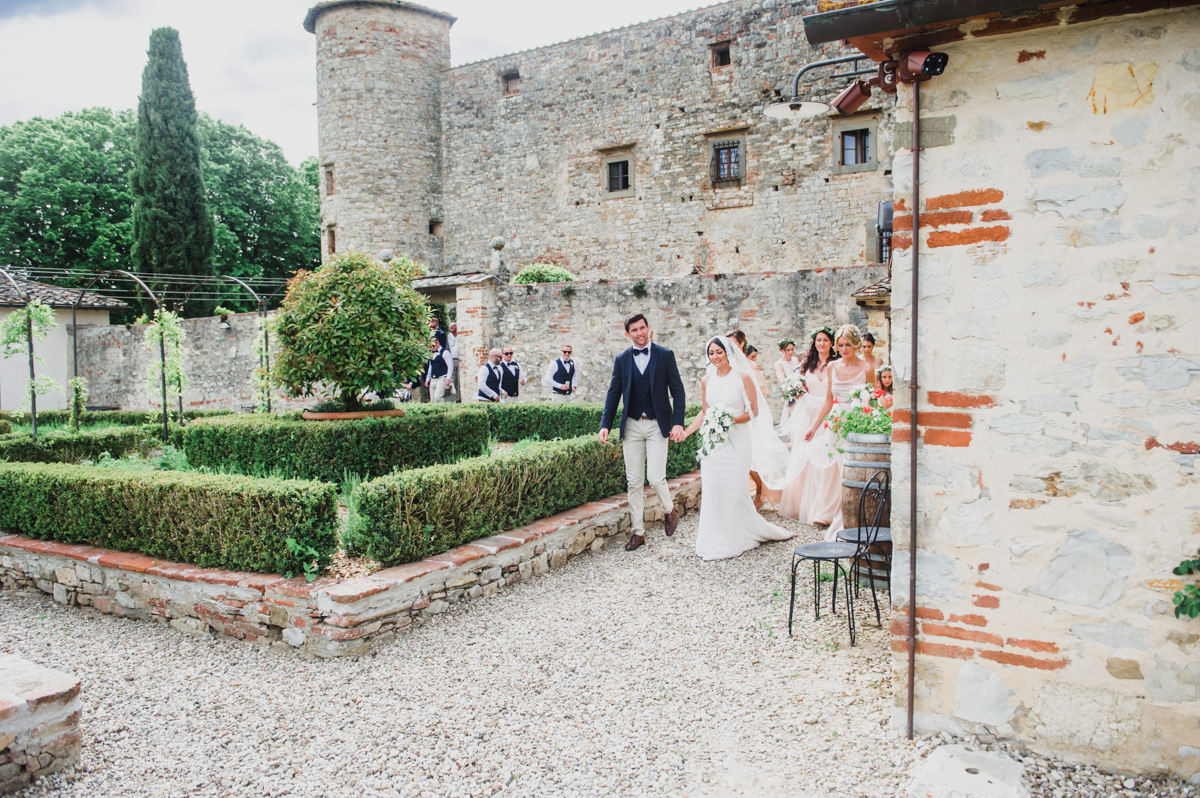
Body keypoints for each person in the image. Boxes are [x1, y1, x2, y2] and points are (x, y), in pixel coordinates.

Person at [681, 336, 795, 561]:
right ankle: (713, 538)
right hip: (714, 444)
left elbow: (753, 411)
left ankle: (737, 534)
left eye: (719, 352)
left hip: (737, 443)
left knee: (734, 490)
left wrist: (727, 420)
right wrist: (688, 431)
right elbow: (705, 411)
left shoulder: (742, 377)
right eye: (711, 353)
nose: (715, 357)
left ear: (728, 353)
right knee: (713, 489)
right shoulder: (706, 380)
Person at [599, 314, 686, 552]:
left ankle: (669, 509)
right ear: (627, 334)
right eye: (634, 330)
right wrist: (605, 424)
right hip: (632, 426)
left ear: (649, 328)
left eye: (642, 328)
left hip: (658, 425)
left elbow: (678, 391)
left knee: (656, 478)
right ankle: (638, 532)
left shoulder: (665, 355)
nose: (639, 333)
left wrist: (678, 423)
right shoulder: (622, 360)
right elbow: (613, 393)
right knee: (634, 482)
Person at [803, 324, 876, 540]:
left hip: (857, 424)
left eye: (848, 345)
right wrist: (813, 427)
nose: (843, 349)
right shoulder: (832, 367)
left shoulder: (867, 369)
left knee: (850, 472)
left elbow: (873, 401)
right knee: (839, 473)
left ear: (856, 345)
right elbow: (828, 400)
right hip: (836, 425)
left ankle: (847, 522)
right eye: (840, 345)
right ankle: (840, 518)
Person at [778, 325, 840, 525]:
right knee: (805, 458)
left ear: (832, 343)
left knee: (827, 458)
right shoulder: (806, 363)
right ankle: (804, 504)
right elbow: (800, 387)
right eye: (818, 340)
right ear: (815, 342)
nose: (822, 343)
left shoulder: (837, 363)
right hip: (809, 413)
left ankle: (824, 506)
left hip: (830, 413)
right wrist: (796, 392)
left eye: (825, 340)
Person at [774, 338, 800, 429]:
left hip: (801, 392)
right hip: (791, 393)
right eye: (788, 350)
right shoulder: (779, 364)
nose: (791, 352)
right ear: (781, 350)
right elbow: (782, 381)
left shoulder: (797, 360)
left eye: (792, 349)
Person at [423, 337, 454, 403]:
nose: (432, 348)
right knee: (432, 400)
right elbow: (431, 366)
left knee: (437, 397)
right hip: (433, 378)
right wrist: (427, 379)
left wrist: (448, 378)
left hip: (442, 378)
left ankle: (444, 407)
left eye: (433, 346)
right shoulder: (431, 353)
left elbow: (450, 365)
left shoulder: (445, 352)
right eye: (430, 346)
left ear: (438, 343)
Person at [448, 323, 461, 402]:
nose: (453, 333)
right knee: (454, 379)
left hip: (459, 358)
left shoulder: (460, 336)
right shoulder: (449, 337)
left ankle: (459, 396)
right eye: (452, 332)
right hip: (452, 359)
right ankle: (457, 396)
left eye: (454, 331)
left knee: (459, 379)